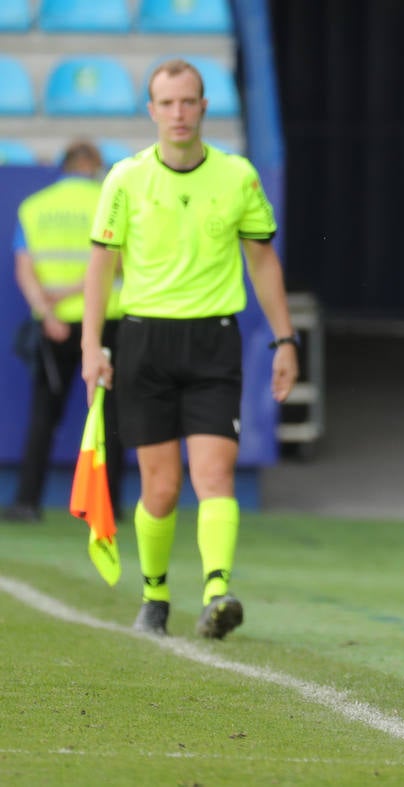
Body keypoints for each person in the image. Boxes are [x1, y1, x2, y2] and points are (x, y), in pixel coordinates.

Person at [80, 59, 298, 640]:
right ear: (152, 111)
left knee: (214, 475)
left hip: (212, 342)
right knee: (161, 488)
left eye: (188, 102)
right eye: (167, 103)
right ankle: (154, 596)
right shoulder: (125, 179)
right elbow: (102, 265)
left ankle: (217, 592)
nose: (178, 113)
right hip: (144, 341)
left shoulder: (238, 177)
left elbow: (262, 261)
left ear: (205, 108)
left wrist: (285, 339)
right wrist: (91, 344)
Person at [4, 141, 125, 524]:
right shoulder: (112, 202)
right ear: (95, 166)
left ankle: (27, 502)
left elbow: (24, 268)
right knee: (111, 417)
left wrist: (46, 309)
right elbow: (115, 264)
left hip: (53, 325)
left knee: (43, 416)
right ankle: (108, 505)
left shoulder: (36, 206)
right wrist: (75, 292)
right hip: (106, 322)